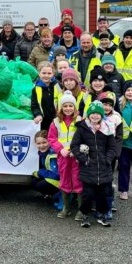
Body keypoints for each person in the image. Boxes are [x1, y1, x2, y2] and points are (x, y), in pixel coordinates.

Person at [70, 101, 118, 227]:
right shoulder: (82, 128)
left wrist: (108, 160)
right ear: (88, 115)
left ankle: (102, 215)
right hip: (88, 167)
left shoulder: (107, 129)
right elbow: (74, 146)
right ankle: (85, 215)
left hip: (104, 167)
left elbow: (112, 147)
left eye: (98, 113)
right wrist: (83, 159)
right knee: (88, 195)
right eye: (92, 113)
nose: (95, 116)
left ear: (102, 115)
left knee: (103, 194)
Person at [48, 90, 83, 220]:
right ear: (61, 107)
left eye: (70, 106)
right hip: (63, 156)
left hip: (76, 157)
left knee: (78, 179)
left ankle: (81, 209)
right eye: (65, 106)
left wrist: (77, 150)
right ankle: (66, 208)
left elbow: (84, 137)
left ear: (74, 107)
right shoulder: (56, 122)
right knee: (64, 179)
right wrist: (60, 149)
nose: (68, 108)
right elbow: (52, 138)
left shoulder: (80, 120)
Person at [98, 89, 123, 220]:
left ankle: (109, 202)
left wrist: (116, 153)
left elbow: (119, 137)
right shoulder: (95, 116)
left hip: (110, 154)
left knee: (108, 179)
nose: (106, 107)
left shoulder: (116, 118)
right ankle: (98, 204)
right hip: (98, 153)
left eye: (109, 105)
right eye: (104, 104)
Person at [31, 130, 60, 200]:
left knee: (41, 184)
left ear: (49, 142)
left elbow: (56, 175)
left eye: (44, 142)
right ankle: (50, 194)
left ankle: (59, 194)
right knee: (33, 180)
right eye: (38, 143)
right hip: (51, 177)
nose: (41, 146)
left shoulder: (53, 154)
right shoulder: (41, 152)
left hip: (60, 181)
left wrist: (40, 172)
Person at [31, 62, 56, 131]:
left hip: (57, 121)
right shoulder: (35, 89)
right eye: (44, 73)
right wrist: (38, 115)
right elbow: (34, 105)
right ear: (39, 73)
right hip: (43, 122)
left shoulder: (58, 86)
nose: (46, 75)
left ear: (53, 74)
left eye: (49, 73)